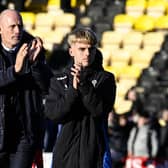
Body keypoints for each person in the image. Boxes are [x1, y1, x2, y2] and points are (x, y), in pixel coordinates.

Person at [44, 27, 116, 168]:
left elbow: (100, 110)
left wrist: (84, 85)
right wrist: (73, 90)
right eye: (82, 49)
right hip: (64, 154)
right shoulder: (58, 80)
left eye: (91, 49)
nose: (87, 53)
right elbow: (54, 114)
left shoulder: (105, 79)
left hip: (95, 153)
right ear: (71, 51)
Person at [0, 9, 52, 168]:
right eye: (12, 27)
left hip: (25, 132)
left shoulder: (32, 47)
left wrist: (36, 64)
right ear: (0, 29)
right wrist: (14, 71)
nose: (17, 31)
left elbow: (47, 87)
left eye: (20, 26)